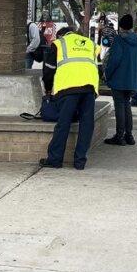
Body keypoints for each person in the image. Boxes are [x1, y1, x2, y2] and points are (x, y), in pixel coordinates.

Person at [40, 26, 100, 170]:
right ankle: (80, 162)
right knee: (87, 124)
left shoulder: (59, 44)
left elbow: (48, 71)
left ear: (61, 35)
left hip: (68, 88)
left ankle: (55, 160)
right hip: (89, 88)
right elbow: (99, 68)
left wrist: (48, 89)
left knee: (63, 123)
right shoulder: (90, 44)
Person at [102, 14, 137, 145]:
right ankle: (129, 135)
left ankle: (119, 136)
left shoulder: (119, 40)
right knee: (127, 105)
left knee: (119, 106)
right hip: (131, 79)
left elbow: (114, 60)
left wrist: (107, 74)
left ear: (120, 26)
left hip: (119, 79)